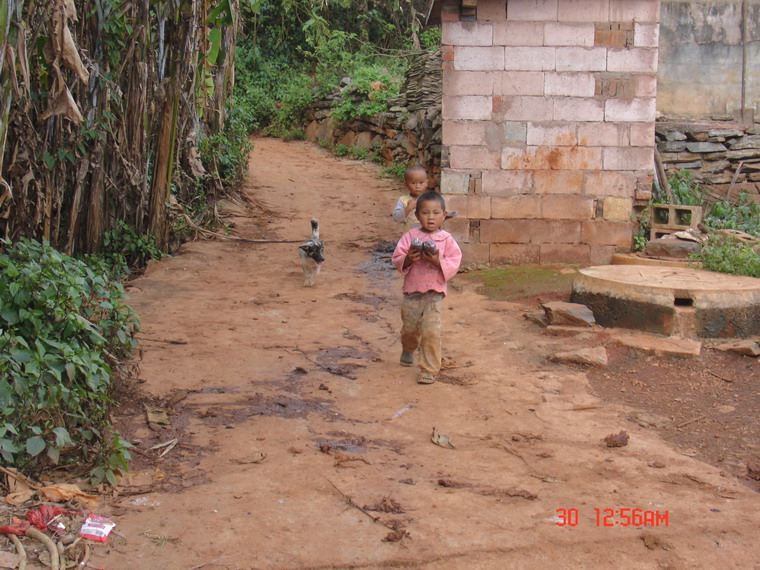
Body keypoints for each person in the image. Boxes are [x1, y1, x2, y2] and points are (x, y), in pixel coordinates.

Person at [391, 191, 462, 384]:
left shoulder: (447, 240)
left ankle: (429, 368)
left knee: (431, 330)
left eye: (436, 213)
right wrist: (408, 258)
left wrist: (438, 261)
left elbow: (454, 261)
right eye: (425, 213)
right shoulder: (410, 236)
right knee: (410, 328)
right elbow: (397, 258)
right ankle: (408, 347)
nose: (430, 217)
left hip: (435, 292)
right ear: (417, 215)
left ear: (444, 215)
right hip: (412, 292)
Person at [391, 165, 428, 233]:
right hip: (409, 239)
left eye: (421, 182)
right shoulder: (403, 200)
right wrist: (408, 208)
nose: (418, 186)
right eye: (413, 183)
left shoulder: (430, 200)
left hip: (428, 238)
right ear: (406, 184)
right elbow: (396, 218)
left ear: (426, 183)